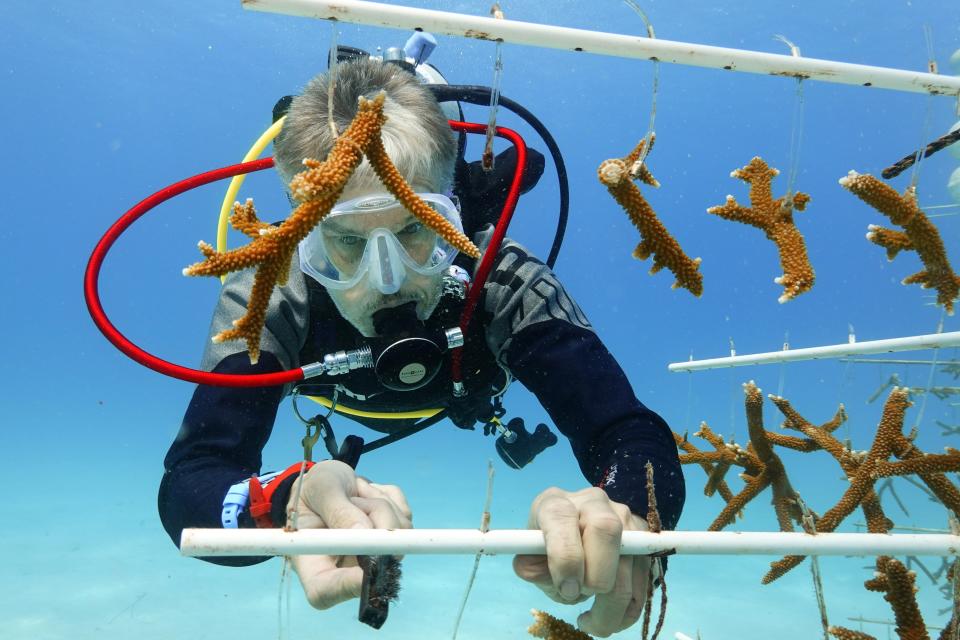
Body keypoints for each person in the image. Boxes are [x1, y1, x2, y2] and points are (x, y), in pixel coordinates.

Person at [159, 54, 684, 637]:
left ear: (452, 209)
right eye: (341, 241)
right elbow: (191, 485)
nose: (386, 281)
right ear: (301, 234)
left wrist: (629, 506)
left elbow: (627, 432)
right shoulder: (272, 296)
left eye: (415, 229)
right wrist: (284, 499)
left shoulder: (502, 279)